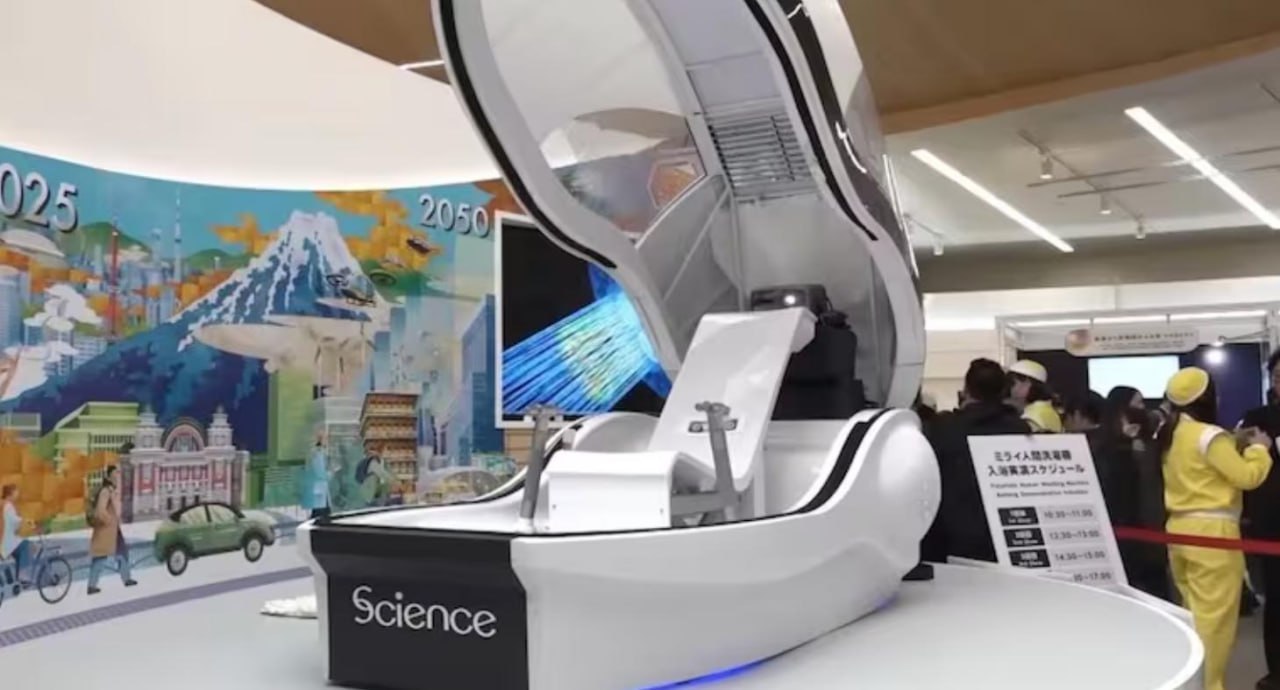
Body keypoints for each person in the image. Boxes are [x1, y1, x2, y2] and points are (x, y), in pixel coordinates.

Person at [1161, 367, 1273, 690]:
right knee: (1215, 623)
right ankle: (1207, 684)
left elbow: (1203, 463)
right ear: (1207, 397)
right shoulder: (1209, 435)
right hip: (1213, 534)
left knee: (1194, 616)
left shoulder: (1172, 434)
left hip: (1179, 531)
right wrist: (1259, 449)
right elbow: (1247, 477)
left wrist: (1232, 441)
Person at [922, 358, 1031, 563]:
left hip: (953, 537)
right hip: (1010, 531)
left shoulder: (945, 428)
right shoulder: (1019, 429)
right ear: (1003, 391)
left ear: (967, 389)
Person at [1242, 350, 1280, 690]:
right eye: (1278, 376)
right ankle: (1276, 672)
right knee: (1276, 600)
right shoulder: (1258, 417)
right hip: (1272, 521)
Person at [88, 466, 137, 595]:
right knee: (100, 557)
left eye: (118, 474)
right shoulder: (105, 491)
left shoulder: (111, 490)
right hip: (106, 530)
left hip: (113, 530)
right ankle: (92, 585)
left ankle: (126, 578)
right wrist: (109, 521)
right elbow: (100, 511)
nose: (117, 477)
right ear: (108, 477)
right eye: (114, 474)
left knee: (122, 552)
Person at [1, 485, 31, 587]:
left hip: (4, 540)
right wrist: (26, 520)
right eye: (16, 492)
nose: (17, 495)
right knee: (25, 545)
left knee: (18, 551)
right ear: (10, 494)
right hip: (5, 541)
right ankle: (23, 576)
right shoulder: (8, 505)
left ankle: (13, 580)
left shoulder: (3, 504)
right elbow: (14, 520)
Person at [304, 432, 332, 520]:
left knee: (320, 514)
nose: (327, 441)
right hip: (320, 490)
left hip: (319, 490)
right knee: (321, 515)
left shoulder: (318, 453)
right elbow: (320, 473)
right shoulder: (318, 453)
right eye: (326, 439)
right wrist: (331, 473)